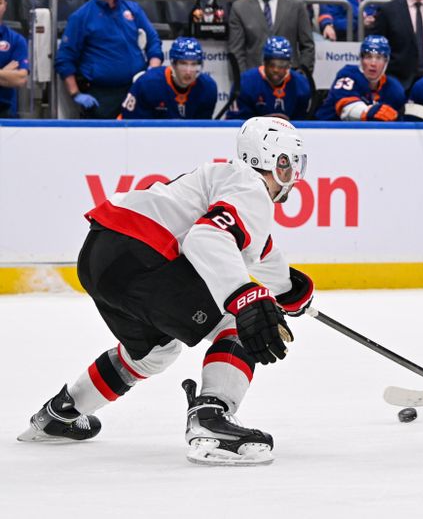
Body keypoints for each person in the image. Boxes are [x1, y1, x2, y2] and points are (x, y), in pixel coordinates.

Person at [18, 117, 314, 466]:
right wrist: (245, 296)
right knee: (237, 323)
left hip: (100, 255)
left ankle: (60, 413)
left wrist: (290, 290)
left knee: (152, 352)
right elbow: (208, 238)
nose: (294, 175)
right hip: (143, 256)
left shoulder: (226, 178)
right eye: (290, 164)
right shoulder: (252, 191)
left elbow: (256, 250)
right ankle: (211, 419)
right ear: (275, 162)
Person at [54, 0, 163, 119]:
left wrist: (152, 71)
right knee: (103, 139)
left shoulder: (133, 9)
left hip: (135, 88)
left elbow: (153, 40)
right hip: (102, 95)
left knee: (139, 137)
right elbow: (65, 58)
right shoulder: (81, 17)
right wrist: (75, 93)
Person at [119, 37, 217, 120]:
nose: (188, 71)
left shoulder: (208, 88)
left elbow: (201, 131)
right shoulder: (147, 83)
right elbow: (128, 125)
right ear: (173, 64)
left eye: (194, 64)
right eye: (183, 64)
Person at [228, 0, 315, 76]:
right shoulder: (239, 8)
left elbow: (307, 46)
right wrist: (244, 81)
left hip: (290, 81)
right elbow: (236, 51)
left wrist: (301, 77)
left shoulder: (296, 5)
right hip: (255, 81)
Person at [316, 35, 405, 121]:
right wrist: (370, 112)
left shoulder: (394, 89)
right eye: (368, 57)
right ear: (361, 59)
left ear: (386, 61)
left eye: (379, 58)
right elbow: (347, 111)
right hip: (326, 131)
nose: (373, 63)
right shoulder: (348, 75)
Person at [227, 35, 312, 120]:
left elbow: (301, 124)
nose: (276, 69)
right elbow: (236, 124)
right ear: (264, 62)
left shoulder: (302, 86)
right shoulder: (245, 83)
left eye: (281, 65)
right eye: (272, 64)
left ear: (289, 66)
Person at [0, 0, 28, 118]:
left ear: (5, 6)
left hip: (6, 111)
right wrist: (6, 72)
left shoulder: (16, 40)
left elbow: (21, 78)